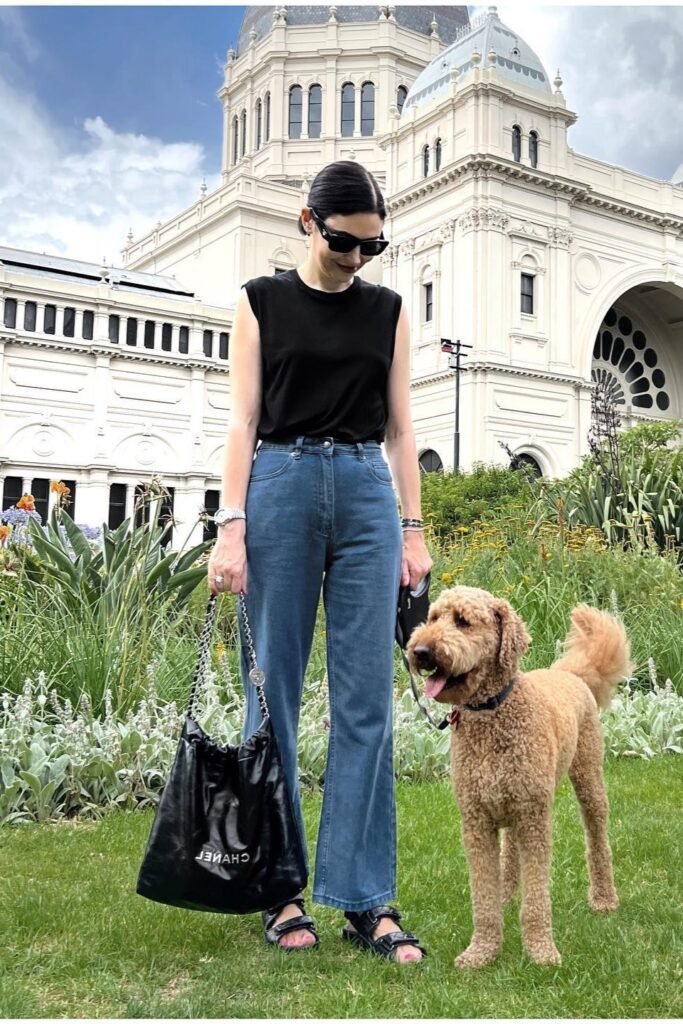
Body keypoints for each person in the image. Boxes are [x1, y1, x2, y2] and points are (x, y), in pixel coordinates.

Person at [207, 160, 432, 963]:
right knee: (270, 692)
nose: (357, 259)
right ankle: (280, 890)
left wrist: (413, 529)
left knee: (366, 698)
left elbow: (403, 429)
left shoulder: (389, 310)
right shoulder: (259, 302)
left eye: (373, 247)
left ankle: (366, 900)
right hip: (281, 485)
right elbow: (240, 422)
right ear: (308, 222)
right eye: (345, 243)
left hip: (368, 494)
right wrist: (229, 525)